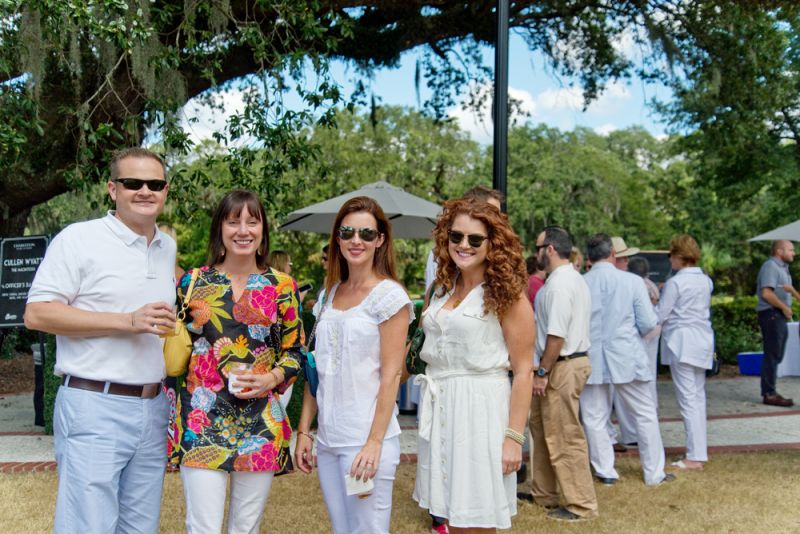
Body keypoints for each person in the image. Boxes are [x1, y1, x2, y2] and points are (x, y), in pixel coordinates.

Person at [25, 147, 177, 533]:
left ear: (165, 190)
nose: (145, 191)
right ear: (112, 189)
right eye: (133, 183)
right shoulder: (79, 239)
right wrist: (128, 320)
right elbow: (37, 313)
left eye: (155, 184)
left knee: (139, 528)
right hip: (94, 404)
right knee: (87, 526)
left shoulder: (166, 247)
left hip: (154, 406)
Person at [174, 189, 303, 533]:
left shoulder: (282, 287)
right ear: (220, 229)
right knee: (202, 526)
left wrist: (271, 379)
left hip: (260, 421)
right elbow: (175, 343)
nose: (243, 230)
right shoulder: (193, 282)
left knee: (246, 528)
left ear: (263, 231)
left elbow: (294, 352)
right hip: (201, 417)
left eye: (252, 221)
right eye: (233, 221)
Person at [412, 199, 534, 532]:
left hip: (481, 411)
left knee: (477, 517)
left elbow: (524, 371)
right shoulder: (441, 289)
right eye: (456, 236)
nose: (463, 245)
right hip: (441, 407)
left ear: (493, 243)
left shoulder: (508, 296)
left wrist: (513, 438)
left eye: (475, 239)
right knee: (450, 514)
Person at [294, 196, 413, 534]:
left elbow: (391, 376)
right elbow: (317, 370)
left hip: (365, 441)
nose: (355, 240)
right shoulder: (329, 294)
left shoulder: (390, 297)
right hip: (330, 440)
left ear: (380, 240)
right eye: (347, 232)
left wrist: (374, 443)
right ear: (337, 239)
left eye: (365, 233)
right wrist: (305, 430)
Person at [580, 234, 674, 486]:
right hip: (626, 355)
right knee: (644, 413)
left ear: (589, 257)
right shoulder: (632, 282)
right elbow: (647, 323)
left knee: (594, 416)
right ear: (611, 253)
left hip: (593, 356)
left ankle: (605, 470)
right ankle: (654, 472)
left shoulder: (581, 283)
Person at [530, 226, 598, 521]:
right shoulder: (567, 279)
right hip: (563, 363)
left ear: (551, 249)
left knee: (564, 435)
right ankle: (545, 492)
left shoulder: (560, 285)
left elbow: (556, 337)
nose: (535, 254)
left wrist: (543, 371)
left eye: (538, 248)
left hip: (562, 364)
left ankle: (581, 504)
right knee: (543, 430)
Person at [657, 234, 714, 470]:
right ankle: (698, 450)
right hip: (702, 341)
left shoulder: (676, 283)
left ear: (680, 256)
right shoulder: (706, 280)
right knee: (698, 399)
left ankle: (695, 455)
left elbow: (661, 314)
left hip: (681, 342)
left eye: (671, 255)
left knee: (688, 399)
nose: (670, 260)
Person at [755, 240, 796, 407]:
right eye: (790, 250)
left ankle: (770, 390)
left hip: (778, 315)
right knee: (772, 353)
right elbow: (766, 293)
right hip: (771, 314)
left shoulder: (783, 269)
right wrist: (784, 307)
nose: (794, 253)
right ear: (779, 251)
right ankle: (769, 393)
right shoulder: (770, 267)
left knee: (777, 353)